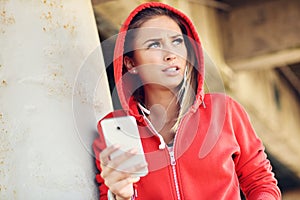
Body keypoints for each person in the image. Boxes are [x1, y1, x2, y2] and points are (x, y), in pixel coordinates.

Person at [93, 2, 281, 200]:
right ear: (132, 64)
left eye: (176, 41)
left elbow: (261, 181)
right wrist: (121, 196)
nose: (170, 54)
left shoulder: (224, 111)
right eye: (154, 45)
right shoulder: (115, 131)